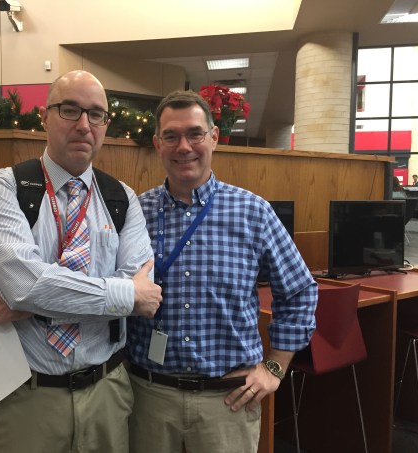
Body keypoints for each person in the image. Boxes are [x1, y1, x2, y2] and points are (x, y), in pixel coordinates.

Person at [0, 70, 162, 453]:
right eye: (70, 110)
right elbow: (26, 286)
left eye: (96, 114)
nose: (83, 125)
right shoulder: (5, 187)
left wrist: (34, 305)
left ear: (105, 124)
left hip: (106, 394)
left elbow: (141, 292)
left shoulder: (123, 199)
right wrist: (121, 294)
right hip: (26, 399)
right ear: (45, 116)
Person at [125, 90, 318, 453]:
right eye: (171, 136)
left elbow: (299, 291)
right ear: (157, 143)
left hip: (227, 401)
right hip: (149, 398)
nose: (184, 146)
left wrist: (275, 368)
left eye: (195, 134)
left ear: (214, 137)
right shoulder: (136, 213)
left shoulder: (253, 212)